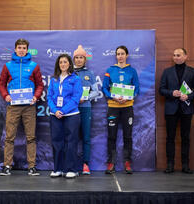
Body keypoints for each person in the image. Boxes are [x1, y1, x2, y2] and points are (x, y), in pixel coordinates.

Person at [0, 38, 44, 176]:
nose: (22, 50)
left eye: (24, 48)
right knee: (9, 137)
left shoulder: (34, 66)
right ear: (15, 49)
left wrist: (36, 96)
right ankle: (7, 166)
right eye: (19, 48)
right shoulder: (8, 66)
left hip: (29, 106)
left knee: (31, 137)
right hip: (13, 106)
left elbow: (40, 85)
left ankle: (32, 166)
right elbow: (1, 84)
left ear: (27, 50)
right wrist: (6, 95)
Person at [159, 48, 194, 174]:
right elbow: (161, 89)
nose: (176, 57)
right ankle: (170, 165)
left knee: (185, 138)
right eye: (174, 55)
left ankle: (185, 165)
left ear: (186, 56)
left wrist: (189, 96)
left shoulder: (192, 71)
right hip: (171, 109)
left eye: (178, 55)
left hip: (186, 109)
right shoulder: (167, 72)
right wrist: (172, 93)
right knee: (170, 138)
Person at [102, 45, 139, 174]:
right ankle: (111, 163)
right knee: (111, 136)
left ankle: (127, 163)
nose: (120, 56)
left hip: (127, 107)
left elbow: (137, 88)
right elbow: (105, 88)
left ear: (127, 55)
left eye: (122, 53)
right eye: (118, 54)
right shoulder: (110, 70)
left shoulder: (132, 71)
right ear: (116, 56)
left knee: (127, 136)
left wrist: (129, 97)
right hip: (113, 107)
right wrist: (114, 97)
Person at [47, 54, 83, 179]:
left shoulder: (75, 79)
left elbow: (76, 97)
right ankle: (58, 169)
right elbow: (49, 97)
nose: (63, 64)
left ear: (69, 64)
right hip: (55, 115)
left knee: (71, 142)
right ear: (58, 64)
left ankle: (71, 169)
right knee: (57, 142)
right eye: (61, 62)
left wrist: (63, 110)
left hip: (71, 114)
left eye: (65, 62)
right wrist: (55, 110)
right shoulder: (53, 80)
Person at [73, 45, 99, 175]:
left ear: (85, 59)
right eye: (76, 57)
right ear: (73, 59)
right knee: (71, 137)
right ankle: (71, 165)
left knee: (86, 137)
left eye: (81, 57)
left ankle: (85, 164)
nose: (78, 60)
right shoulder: (69, 73)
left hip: (85, 108)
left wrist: (86, 97)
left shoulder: (90, 74)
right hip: (71, 110)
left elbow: (96, 92)